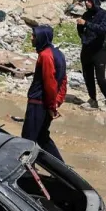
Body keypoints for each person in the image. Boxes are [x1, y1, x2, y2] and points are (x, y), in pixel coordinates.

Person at [23, 25, 67, 160]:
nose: (31, 38)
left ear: (42, 37)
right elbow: (63, 81)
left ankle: (27, 173)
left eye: (34, 36)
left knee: (28, 140)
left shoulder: (45, 56)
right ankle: (61, 169)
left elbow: (50, 83)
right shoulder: (58, 54)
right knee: (42, 137)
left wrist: (51, 106)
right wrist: (57, 101)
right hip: (46, 103)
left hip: (38, 104)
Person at [76, 0, 106, 110]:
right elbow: (80, 29)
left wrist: (86, 24)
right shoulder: (86, 14)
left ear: (94, 1)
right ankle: (93, 99)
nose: (86, 3)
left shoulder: (104, 15)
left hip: (99, 50)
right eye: (85, 1)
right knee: (88, 76)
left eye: (89, 1)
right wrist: (83, 36)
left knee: (100, 78)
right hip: (86, 49)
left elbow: (102, 29)